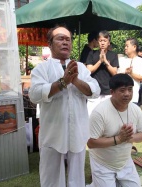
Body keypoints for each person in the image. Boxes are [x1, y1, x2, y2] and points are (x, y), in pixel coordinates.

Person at [28, 25, 100, 187]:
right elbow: (35, 94)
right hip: (53, 132)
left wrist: (75, 81)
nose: (65, 42)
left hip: (78, 130)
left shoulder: (80, 68)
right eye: (60, 38)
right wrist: (63, 82)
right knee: (51, 176)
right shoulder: (41, 69)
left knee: (77, 176)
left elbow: (95, 90)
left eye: (68, 39)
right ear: (50, 43)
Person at [87, 74, 142, 187]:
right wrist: (119, 139)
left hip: (125, 161)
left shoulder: (135, 109)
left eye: (130, 89)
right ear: (112, 92)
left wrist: (129, 137)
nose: (127, 94)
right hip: (102, 163)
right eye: (122, 90)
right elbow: (91, 143)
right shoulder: (99, 112)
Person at [86, 30, 119, 115]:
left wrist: (106, 62)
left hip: (108, 90)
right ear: (98, 42)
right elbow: (89, 70)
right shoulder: (91, 53)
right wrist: (100, 61)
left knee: (108, 116)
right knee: (91, 115)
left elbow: (115, 73)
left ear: (108, 42)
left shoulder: (113, 55)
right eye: (100, 41)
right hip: (94, 90)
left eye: (105, 41)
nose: (102, 43)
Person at [118, 38, 142, 104]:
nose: (125, 48)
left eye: (127, 46)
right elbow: (116, 75)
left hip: (133, 97)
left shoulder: (141, 61)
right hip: (120, 95)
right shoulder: (121, 60)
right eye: (125, 46)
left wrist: (131, 73)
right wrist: (124, 73)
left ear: (134, 47)